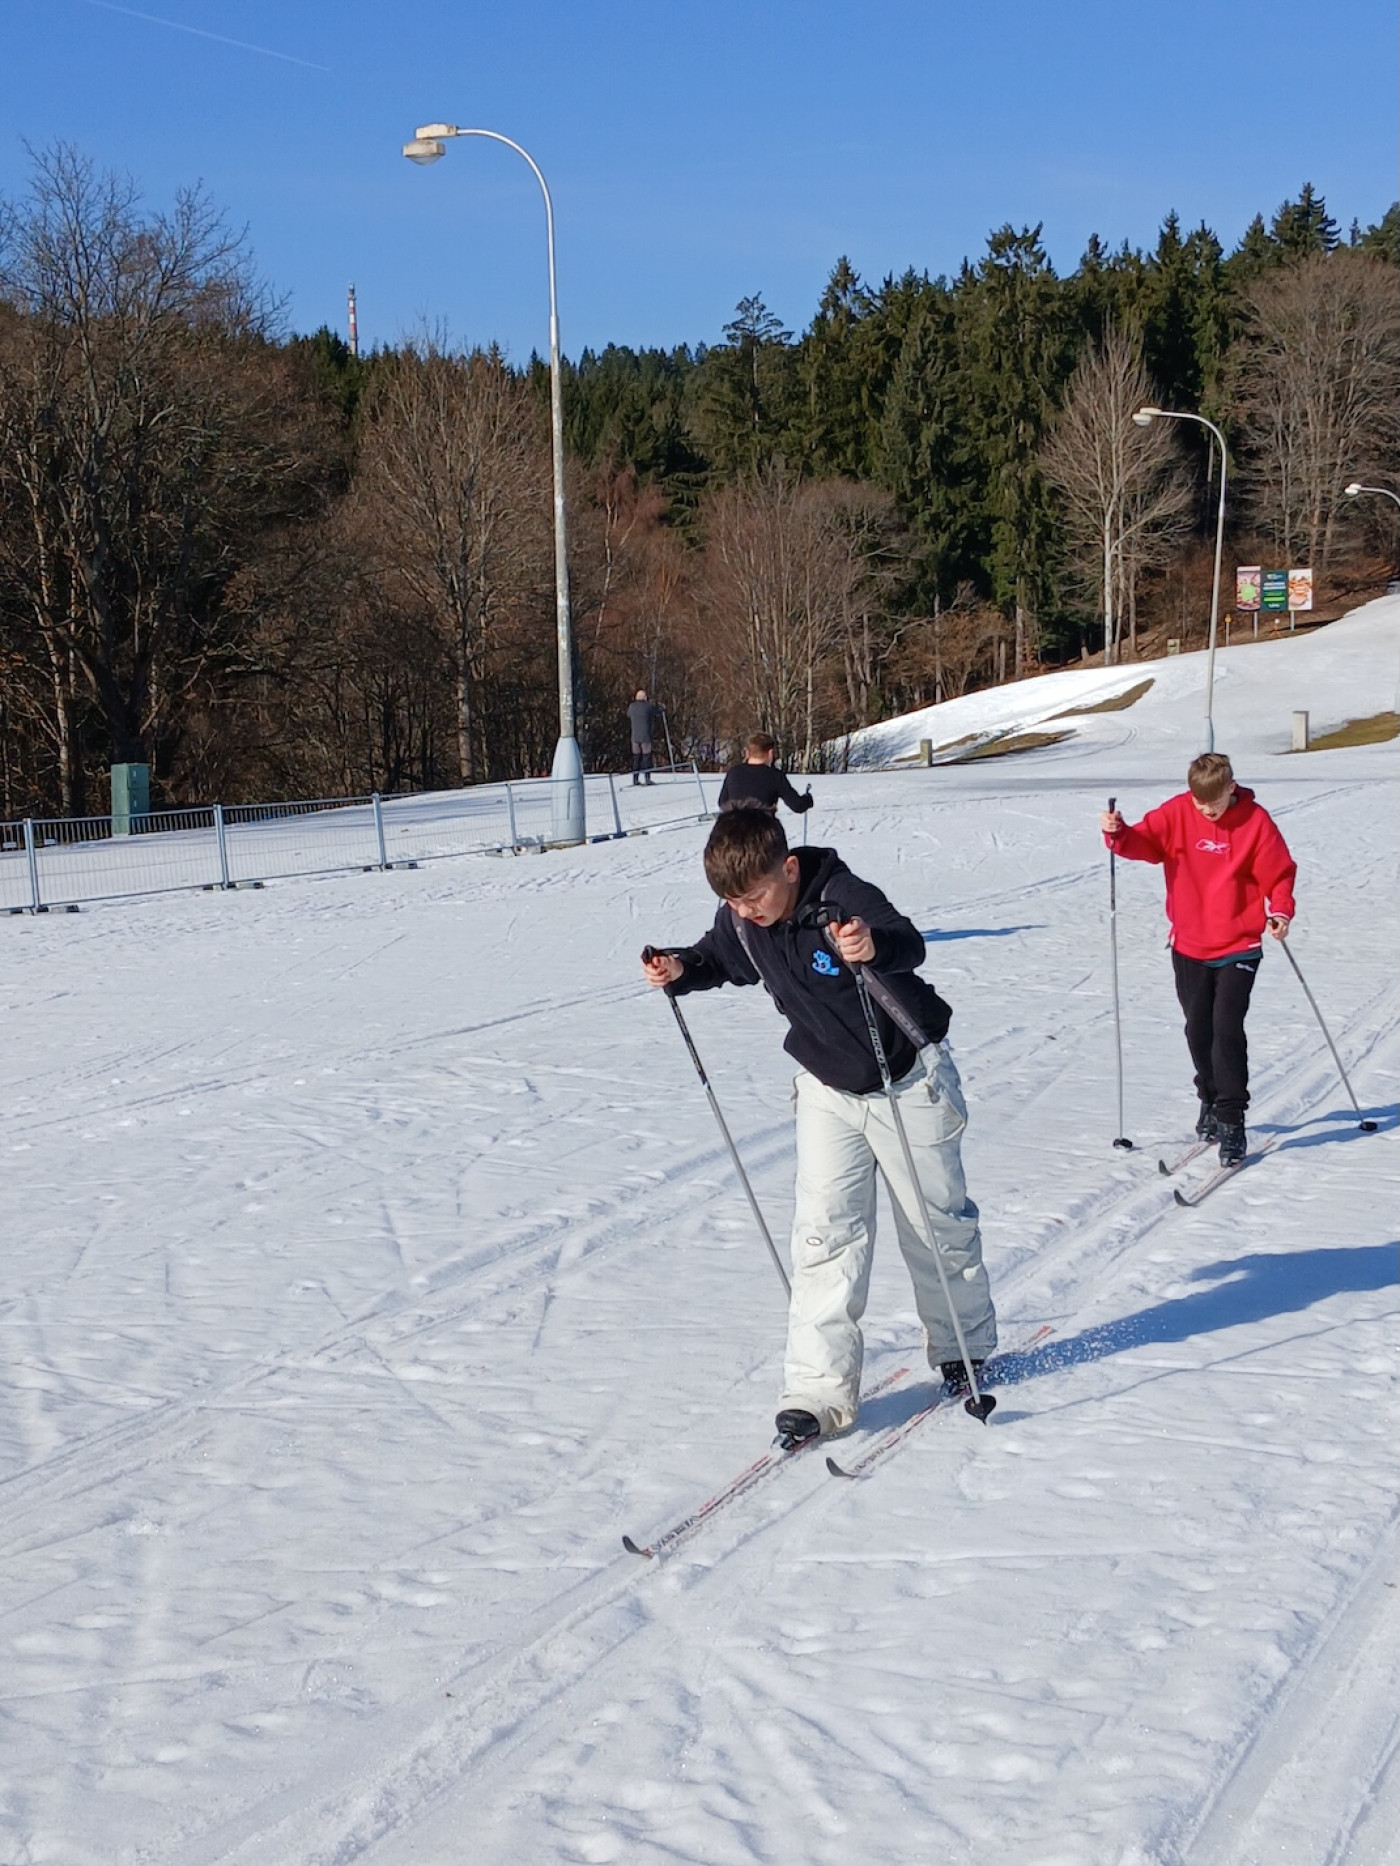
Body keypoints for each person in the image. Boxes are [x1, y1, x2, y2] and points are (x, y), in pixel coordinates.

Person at [641, 805, 997, 1444]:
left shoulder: (841, 894)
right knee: (824, 1235)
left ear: (788, 868)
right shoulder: (743, 919)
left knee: (935, 1226)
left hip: (906, 1080)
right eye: (733, 901)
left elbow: (908, 942)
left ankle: (962, 1350)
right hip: (829, 1089)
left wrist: (871, 945)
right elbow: (718, 957)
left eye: (754, 896)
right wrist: (680, 967)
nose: (745, 911)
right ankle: (817, 1392)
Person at [1100, 752, 1296, 1166]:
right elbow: (1143, 844)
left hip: (1239, 945)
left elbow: (1279, 873)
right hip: (1189, 945)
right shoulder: (1176, 813)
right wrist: (1118, 833)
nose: (1207, 811)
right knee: (1198, 1030)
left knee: (1226, 1030)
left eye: (1215, 803)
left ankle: (1232, 1120)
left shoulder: (1256, 822)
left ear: (1231, 788)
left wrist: (1279, 911)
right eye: (1199, 803)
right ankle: (1209, 1098)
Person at [717, 732, 814, 815]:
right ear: (770, 753)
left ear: (747, 752)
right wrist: (807, 800)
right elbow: (797, 806)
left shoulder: (734, 772)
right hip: (764, 827)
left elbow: (722, 802)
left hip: (733, 827)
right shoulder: (775, 776)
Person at [628, 690, 660, 786]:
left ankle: (635, 779)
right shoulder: (648, 707)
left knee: (636, 758)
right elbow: (656, 712)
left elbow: (628, 714)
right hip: (646, 736)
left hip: (635, 737)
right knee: (646, 758)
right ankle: (647, 778)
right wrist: (661, 708)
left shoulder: (632, 707)